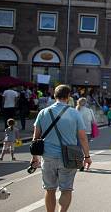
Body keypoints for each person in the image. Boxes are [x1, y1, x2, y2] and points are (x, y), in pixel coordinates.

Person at [31, 84, 91, 212]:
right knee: (66, 189)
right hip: (69, 157)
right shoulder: (74, 113)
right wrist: (87, 157)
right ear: (68, 97)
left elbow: (35, 138)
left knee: (50, 189)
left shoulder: (43, 112)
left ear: (54, 96)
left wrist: (34, 157)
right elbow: (82, 138)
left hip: (47, 156)